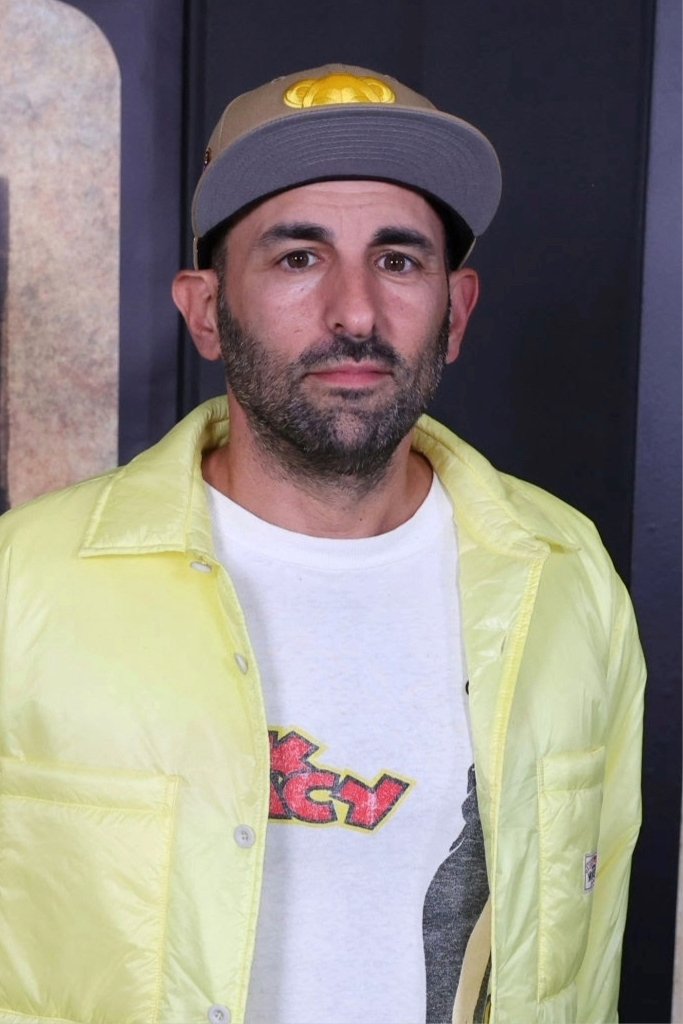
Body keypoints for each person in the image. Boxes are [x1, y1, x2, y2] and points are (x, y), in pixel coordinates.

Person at [0, 64, 645, 1024]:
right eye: (298, 258)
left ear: (457, 311)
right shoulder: (23, 584)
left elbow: (584, 965)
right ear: (206, 311)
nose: (355, 313)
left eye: (399, 261)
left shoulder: (566, 575)